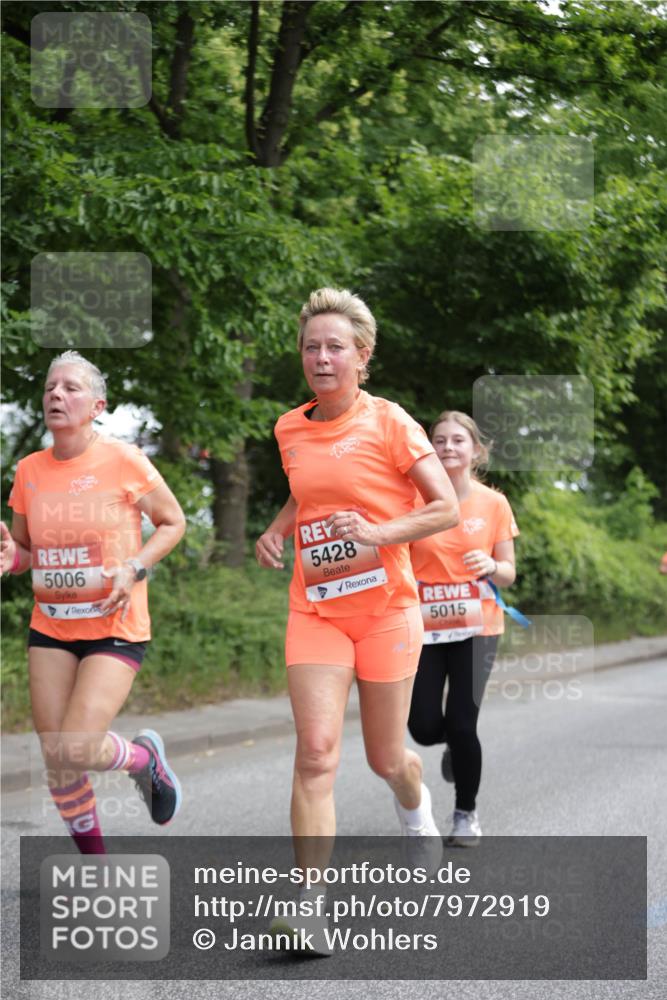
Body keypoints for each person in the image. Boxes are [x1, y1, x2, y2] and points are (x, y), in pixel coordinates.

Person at [256, 288, 459, 949]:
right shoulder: (289, 426)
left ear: (361, 356)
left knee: (383, 758)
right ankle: (309, 908)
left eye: (334, 347)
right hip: (314, 608)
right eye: (311, 346)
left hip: (386, 611)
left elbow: (445, 508)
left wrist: (378, 532)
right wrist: (278, 528)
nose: (320, 357)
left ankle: (415, 805)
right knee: (315, 754)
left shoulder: (390, 422)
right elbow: (308, 485)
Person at [1, 351, 186, 854]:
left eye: (71, 388)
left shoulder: (123, 460)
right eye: (50, 388)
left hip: (114, 624)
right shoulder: (29, 471)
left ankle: (144, 761)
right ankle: (97, 867)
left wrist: (135, 566)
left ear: (97, 405)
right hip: (52, 625)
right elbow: (27, 551)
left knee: (79, 746)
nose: (57, 395)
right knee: (56, 755)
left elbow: (173, 523)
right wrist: (10, 556)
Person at [408, 411, 520, 847]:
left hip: (478, 627)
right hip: (424, 627)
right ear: (429, 448)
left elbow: (508, 571)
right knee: (421, 727)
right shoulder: (413, 500)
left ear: (477, 450)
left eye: (458, 440)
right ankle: (453, 745)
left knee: (462, 722)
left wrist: (493, 565)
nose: (448, 448)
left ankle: (465, 814)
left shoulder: (494, 503)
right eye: (440, 440)